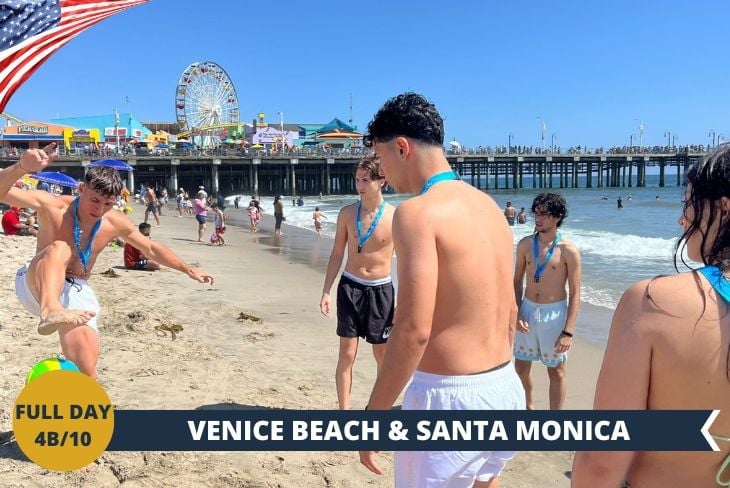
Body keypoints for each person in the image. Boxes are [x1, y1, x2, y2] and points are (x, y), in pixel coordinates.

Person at [359, 92, 524, 486]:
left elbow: (414, 330)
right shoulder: (489, 208)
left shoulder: (417, 214)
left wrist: (375, 415)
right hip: (504, 386)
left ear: (402, 148)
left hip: (450, 397)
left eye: (380, 160)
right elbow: (510, 310)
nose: (382, 173)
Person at [572, 146, 730, 487]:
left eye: (688, 203)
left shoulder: (653, 303)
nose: (682, 218)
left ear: (724, 207)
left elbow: (604, 455)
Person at [0, 143, 214, 379]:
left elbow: (151, 247)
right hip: (37, 283)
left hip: (75, 287)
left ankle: (87, 406)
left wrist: (188, 269)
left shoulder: (114, 221)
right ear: (81, 189)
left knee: (86, 367)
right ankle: (50, 310)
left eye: (108, 204)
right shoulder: (53, 206)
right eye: (94, 200)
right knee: (60, 248)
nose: (99, 209)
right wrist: (21, 167)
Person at [320, 156, 395, 410]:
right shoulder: (347, 214)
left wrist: (406, 301)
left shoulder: (395, 217)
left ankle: (377, 410)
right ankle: (345, 412)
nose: (359, 185)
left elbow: (408, 263)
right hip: (350, 286)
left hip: (381, 290)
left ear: (381, 180)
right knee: (347, 353)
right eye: (357, 179)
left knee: (382, 355)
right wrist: (326, 291)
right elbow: (336, 254)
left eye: (365, 180)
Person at [513, 193, 581, 410]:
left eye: (544, 214)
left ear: (557, 216)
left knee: (557, 371)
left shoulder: (568, 251)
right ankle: (528, 408)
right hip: (528, 310)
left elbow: (575, 294)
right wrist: (516, 312)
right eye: (536, 213)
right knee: (521, 368)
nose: (538, 218)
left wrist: (568, 331)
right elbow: (516, 282)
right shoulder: (525, 245)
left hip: (555, 314)